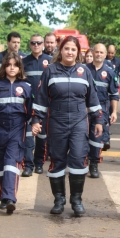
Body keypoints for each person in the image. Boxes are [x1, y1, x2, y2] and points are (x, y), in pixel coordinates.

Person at [30, 36, 103, 217]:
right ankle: (59, 199)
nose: (70, 52)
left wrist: (98, 120)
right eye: (66, 48)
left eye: (73, 49)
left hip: (79, 121)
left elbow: (92, 98)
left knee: (78, 159)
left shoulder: (84, 71)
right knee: (57, 160)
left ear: (78, 52)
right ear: (60, 50)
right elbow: (41, 99)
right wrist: (36, 120)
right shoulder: (51, 71)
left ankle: (76, 200)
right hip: (56, 120)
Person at [0, 52, 32, 214]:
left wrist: (36, 123)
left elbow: (32, 111)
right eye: (9, 65)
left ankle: (10, 198)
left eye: (15, 65)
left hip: (17, 129)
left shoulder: (26, 87)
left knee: (12, 162)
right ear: (4, 67)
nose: (12, 68)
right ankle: (4, 197)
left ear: (19, 68)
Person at [21, 34, 53, 177]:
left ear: (43, 44)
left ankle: (39, 163)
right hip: (27, 104)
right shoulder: (23, 62)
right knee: (28, 136)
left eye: (39, 43)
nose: (36, 45)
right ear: (30, 45)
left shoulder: (51, 61)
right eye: (33, 43)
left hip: (45, 105)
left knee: (42, 136)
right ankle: (28, 165)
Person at [86, 44, 119, 178]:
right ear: (92, 53)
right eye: (97, 52)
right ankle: (81, 163)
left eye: (101, 52)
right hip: (84, 110)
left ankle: (94, 164)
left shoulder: (110, 72)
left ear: (105, 55)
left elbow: (114, 94)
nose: (98, 54)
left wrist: (115, 111)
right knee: (81, 137)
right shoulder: (83, 69)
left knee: (96, 138)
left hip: (101, 111)